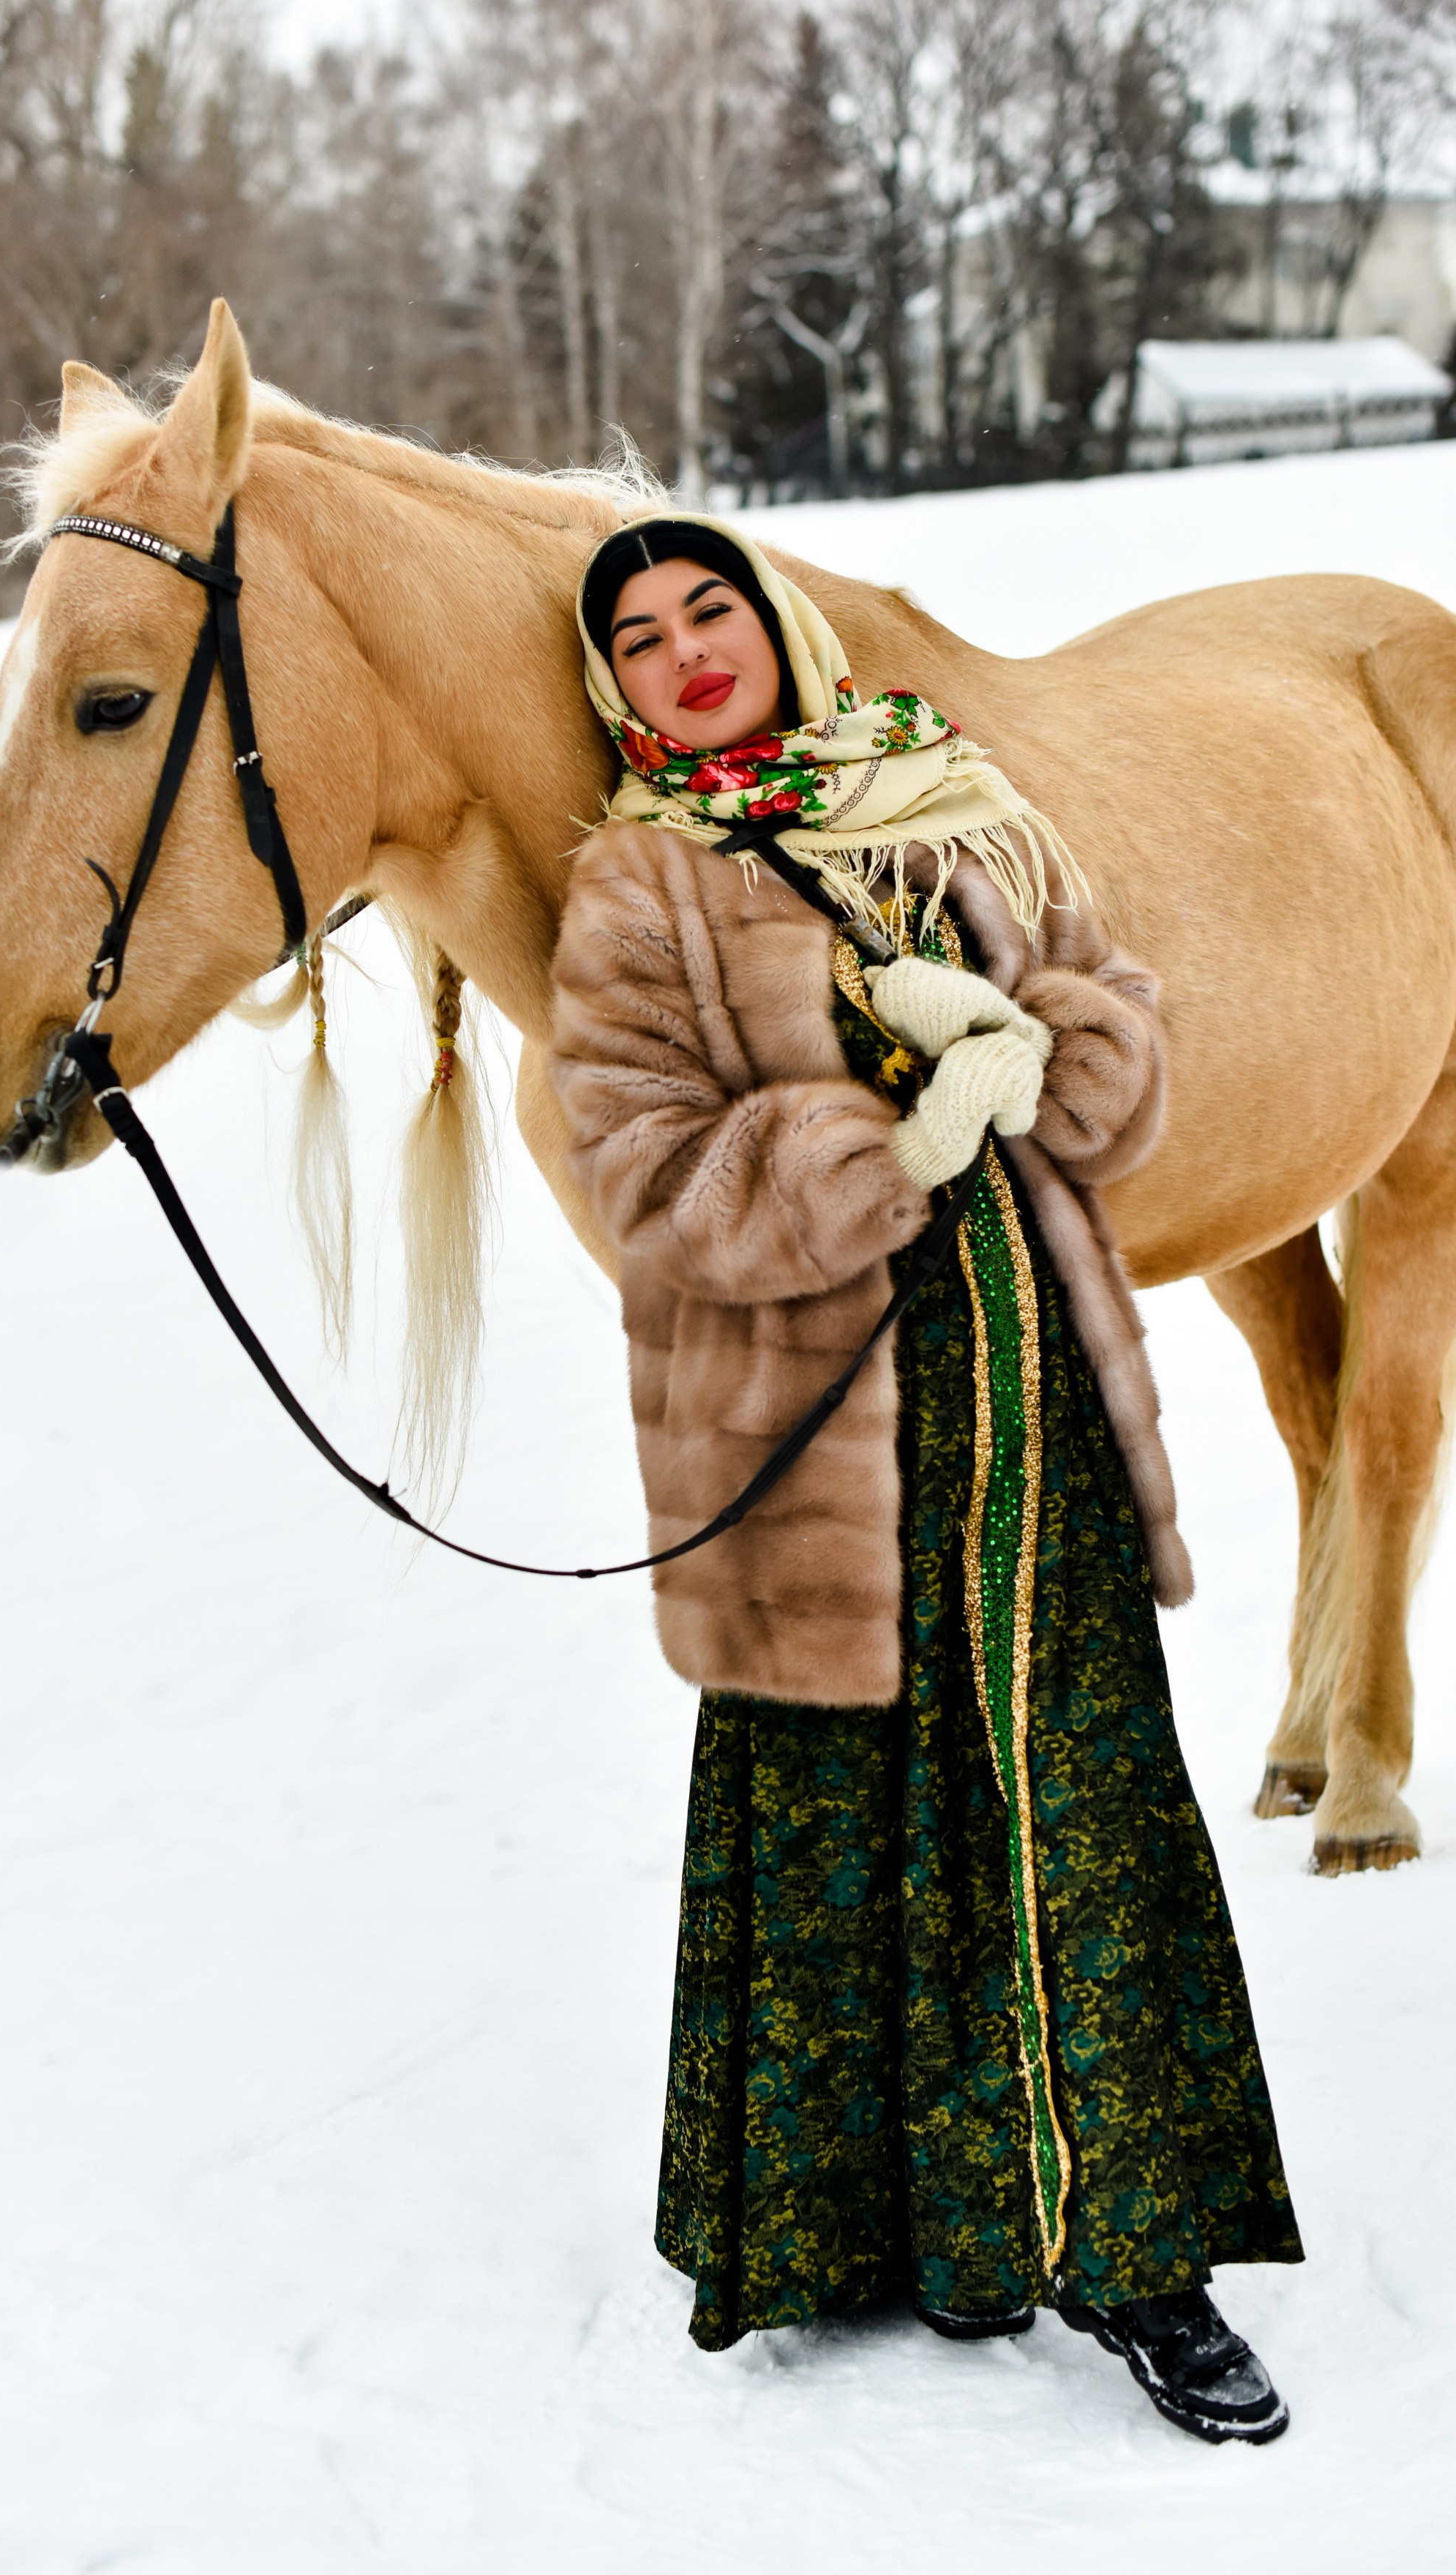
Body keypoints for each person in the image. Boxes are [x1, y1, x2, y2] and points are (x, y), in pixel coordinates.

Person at [544, 514, 1302, 2446]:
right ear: (610, 685)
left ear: (771, 620)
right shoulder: (638, 886)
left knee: (1058, 1806)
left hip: (1025, 1410)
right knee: (848, 1825)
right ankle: (873, 2229)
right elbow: (642, 1174)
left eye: (709, 606)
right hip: (817, 1455)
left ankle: (1136, 2259)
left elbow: (1116, 1016)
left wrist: (1036, 1049)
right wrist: (882, 1127)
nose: (686, 648)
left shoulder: (943, 799)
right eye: (638, 635)